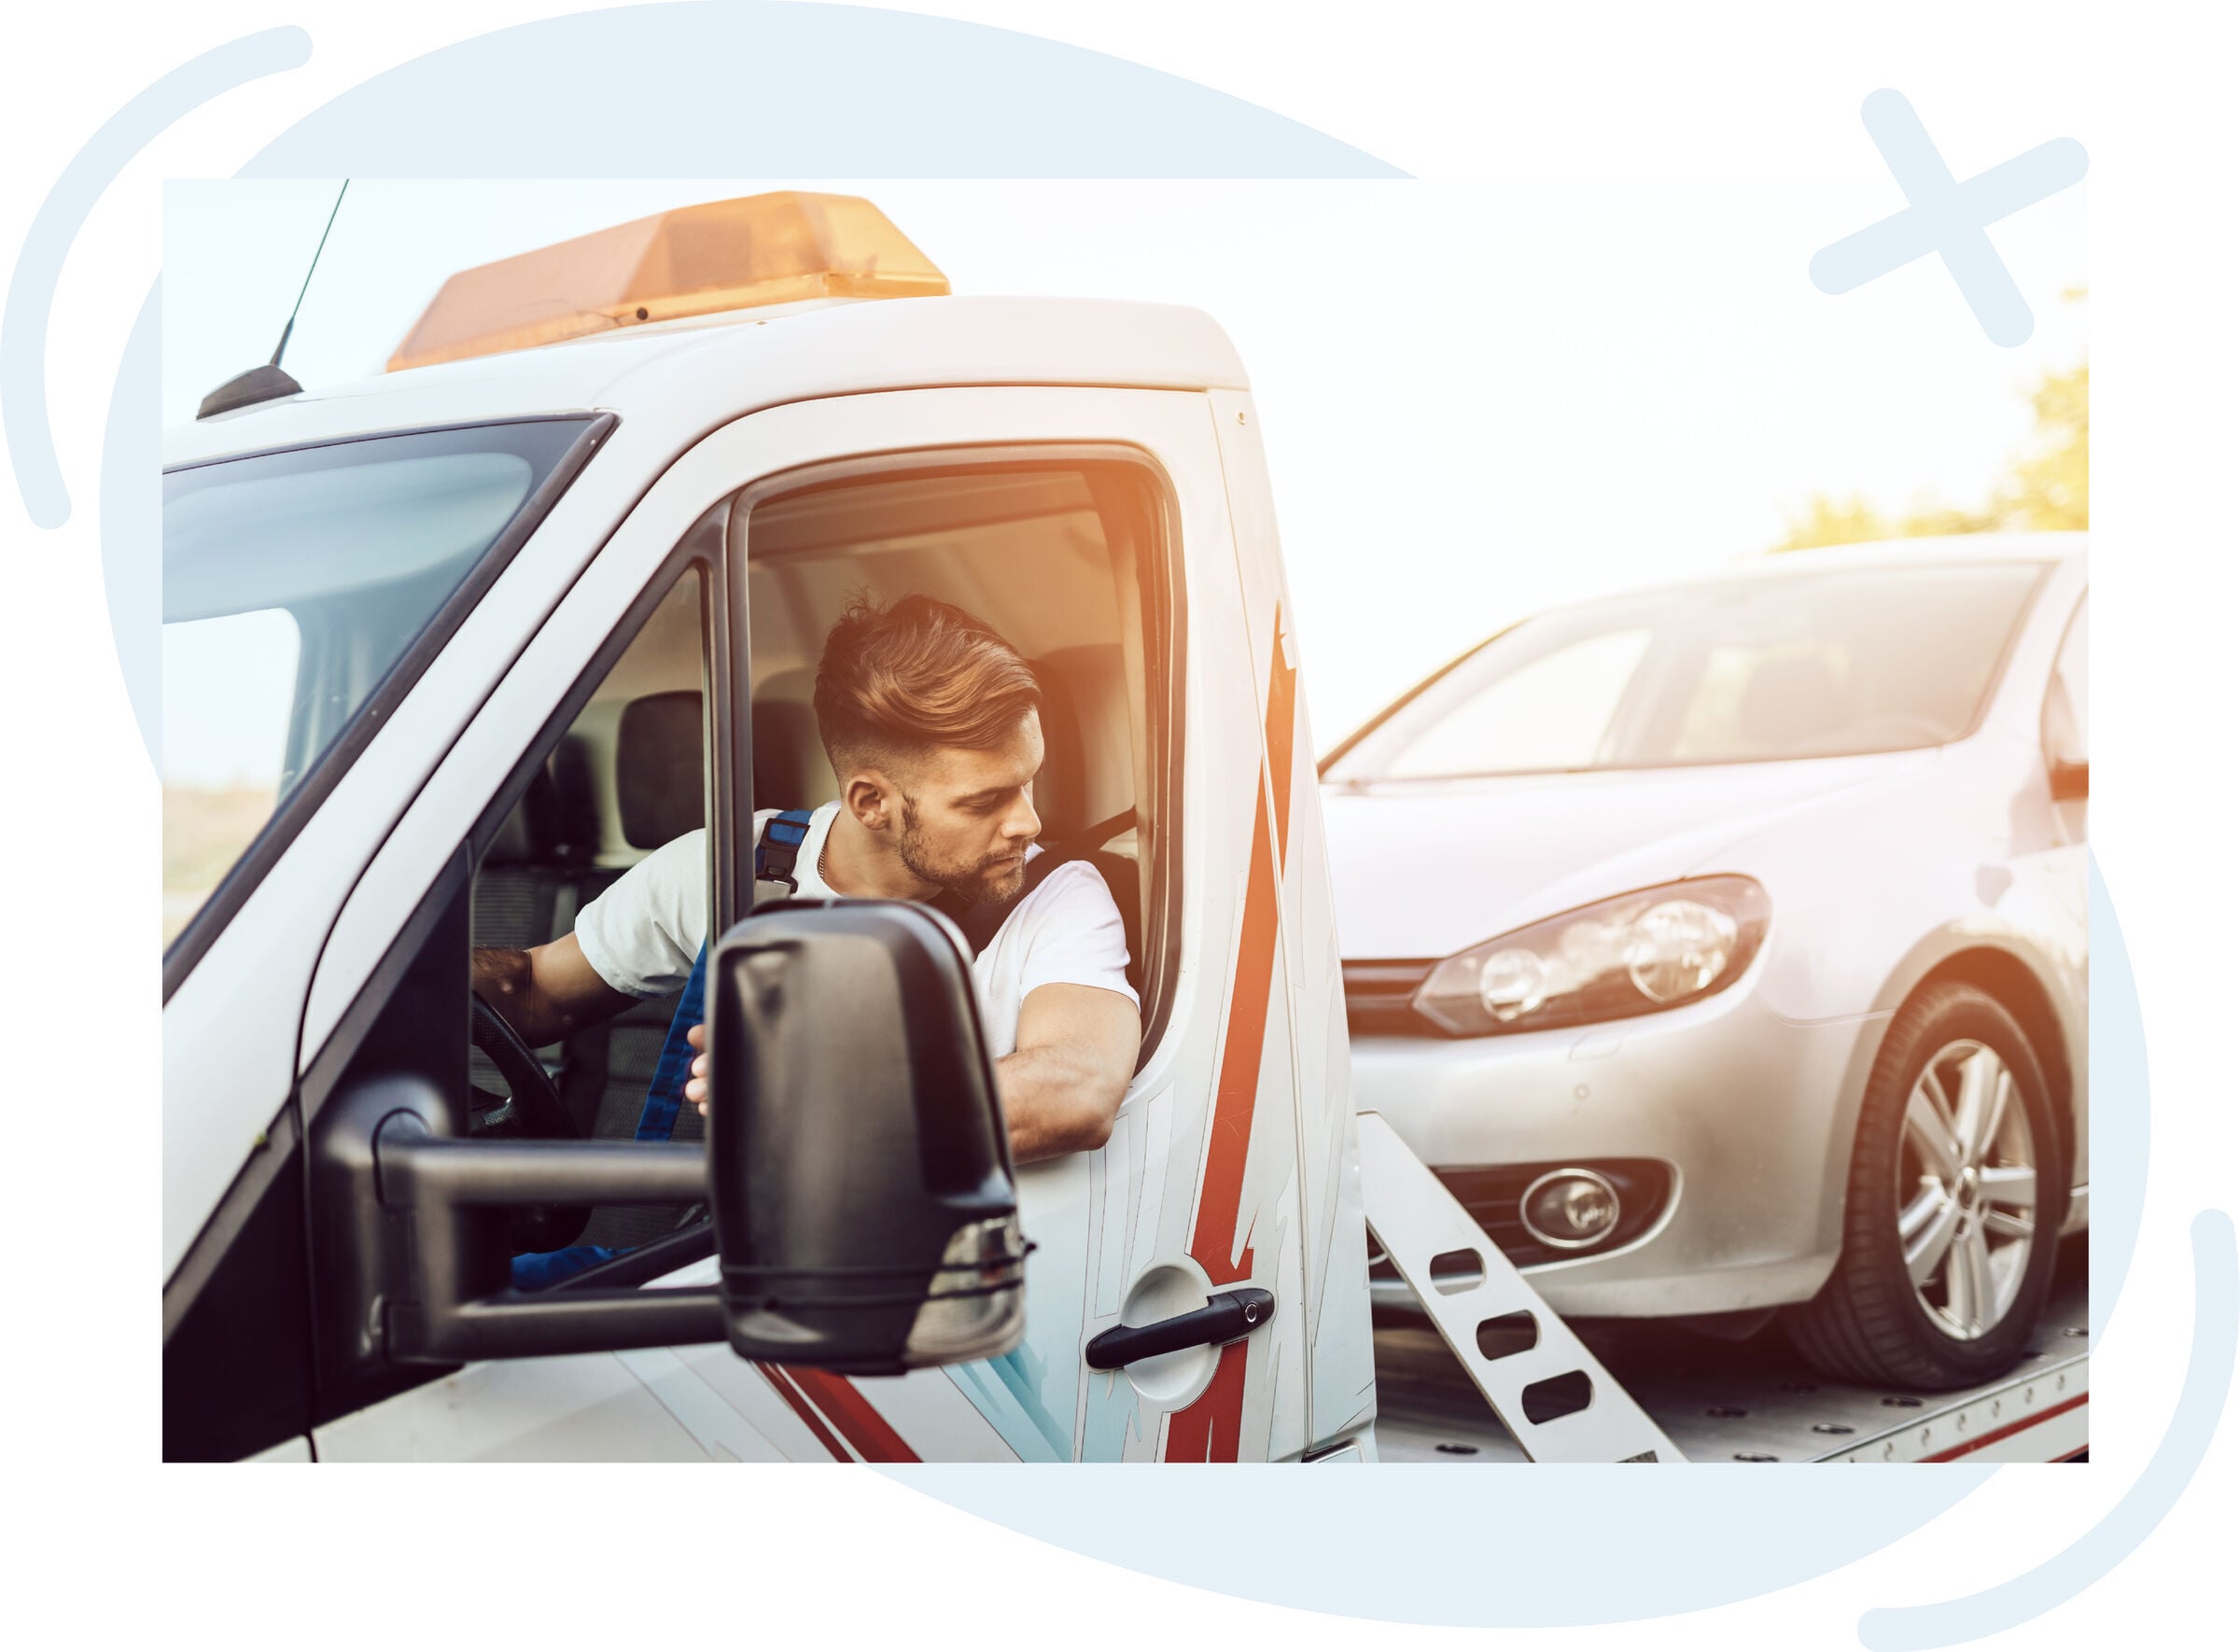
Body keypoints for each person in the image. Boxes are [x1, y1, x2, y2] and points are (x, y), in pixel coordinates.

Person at [472, 593, 1141, 1165]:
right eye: (982, 801)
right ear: (870, 802)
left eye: (1028, 782)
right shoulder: (732, 866)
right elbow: (535, 994)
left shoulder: (1059, 895)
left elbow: (1075, 1089)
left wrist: (819, 1093)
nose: (1030, 821)